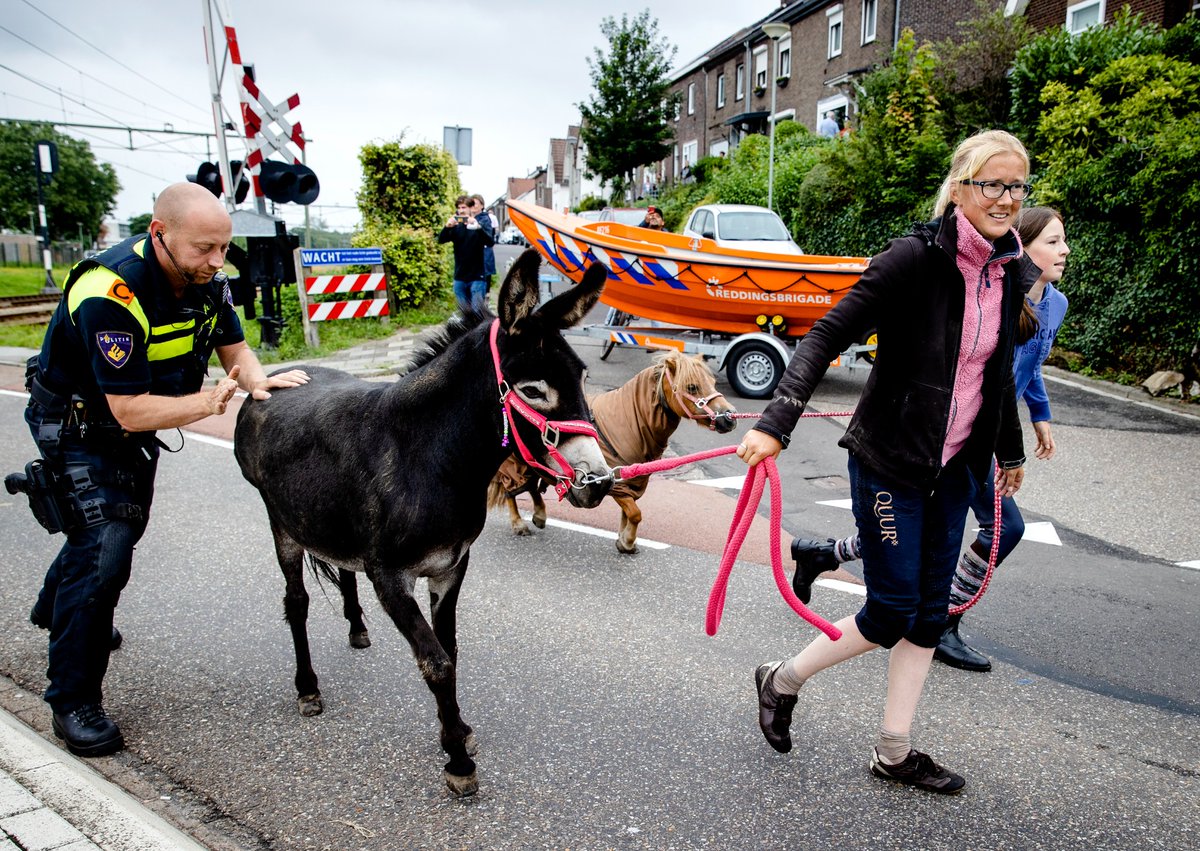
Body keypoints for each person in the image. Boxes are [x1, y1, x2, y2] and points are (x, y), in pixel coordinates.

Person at [737, 130, 1038, 794]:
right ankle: (781, 678)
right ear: (960, 187)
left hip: (955, 469)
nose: (1006, 198)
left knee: (931, 613)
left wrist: (1007, 451)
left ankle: (894, 750)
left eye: (1017, 186)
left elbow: (992, 374)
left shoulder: (1012, 270)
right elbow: (826, 333)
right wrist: (775, 420)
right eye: (992, 183)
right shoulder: (912, 260)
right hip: (890, 461)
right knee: (893, 608)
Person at [14, 182, 310, 757]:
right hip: (79, 424)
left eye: (223, 248)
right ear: (159, 235)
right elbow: (128, 410)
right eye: (205, 249)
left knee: (112, 534)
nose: (217, 261)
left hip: (137, 427)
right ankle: (73, 699)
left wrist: (254, 379)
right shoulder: (112, 292)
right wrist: (206, 404)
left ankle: (62, 606)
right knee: (105, 547)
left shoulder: (208, 278)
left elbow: (234, 349)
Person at [790, 206, 1070, 673]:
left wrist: (1036, 420)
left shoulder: (1052, 303)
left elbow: (1024, 371)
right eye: (1054, 241)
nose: (1064, 251)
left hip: (986, 438)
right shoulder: (989, 286)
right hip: (945, 436)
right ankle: (942, 623)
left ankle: (825, 555)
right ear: (1024, 244)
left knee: (918, 543)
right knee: (1005, 530)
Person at [438, 195, 494, 313]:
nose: (461, 210)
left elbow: (489, 242)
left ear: (470, 208)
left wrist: (477, 226)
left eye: (464, 207)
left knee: (477, 315)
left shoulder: (478, 225)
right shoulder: (456, 227)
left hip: (477, 277)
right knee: (464, 315)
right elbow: (441, 240)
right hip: (460, 277)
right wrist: (447, 227)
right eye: (459, 208)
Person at [469, 194, 498, 293]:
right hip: (471, 258)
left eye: (475, 203)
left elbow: (488, 238)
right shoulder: (467, 218)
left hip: (483, 256)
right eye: (471, 203)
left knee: (482, 287)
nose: (473, 205)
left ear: (482, 206)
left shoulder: (484, 219)